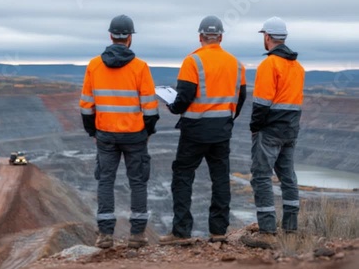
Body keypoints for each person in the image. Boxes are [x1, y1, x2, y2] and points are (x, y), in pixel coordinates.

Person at [159, 15, 246, 245]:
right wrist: (227, 117)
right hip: (221, 131)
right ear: (220, 37)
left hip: (195, 130)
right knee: (220, 178)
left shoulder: (192, 61)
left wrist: (173, 106)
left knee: (183, 176)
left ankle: (181, 233)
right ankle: (218, 232)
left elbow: (184, 97)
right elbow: (241, 97)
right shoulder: (236, 64)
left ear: (200, 37)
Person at [79, 14, 160, 249]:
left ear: (110, 35)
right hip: (135, 135)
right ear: (130, 38)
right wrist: (147, 132)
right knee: (137, 182)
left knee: (105, 181)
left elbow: (86, 105)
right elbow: (151, 108)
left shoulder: (94, 66)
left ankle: (105, 235)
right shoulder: (140, 67)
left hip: (105, 133)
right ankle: (137, 235)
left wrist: (93, 132)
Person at [241, 16, 305, 249]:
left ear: (267, 37)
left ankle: (268, 230)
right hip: (290, 130)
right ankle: (290, 227)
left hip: (270, 131)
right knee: (288, 177)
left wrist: (254, 127)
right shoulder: (297, 67)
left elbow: (261, 103)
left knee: (261, 176)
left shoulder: (269, 65)